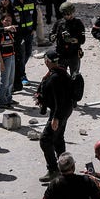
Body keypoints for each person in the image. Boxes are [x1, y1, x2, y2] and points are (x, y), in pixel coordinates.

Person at [37, 52, 75, 183]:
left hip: (60, 112)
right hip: (65, 111)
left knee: (45, 140)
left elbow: (60, 99)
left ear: (47, 61)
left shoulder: (55, 77)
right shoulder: (61, 72)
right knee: (58, 139)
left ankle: (53, 170)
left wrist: (55, 118)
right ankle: (65, 167)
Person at [11, 0, 37, 88]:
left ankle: (19, 71)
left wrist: (34, 28)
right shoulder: (13, 2)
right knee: (21, 55)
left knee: (28, 53)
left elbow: (35, 15)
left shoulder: (30, 0)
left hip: (29, 32)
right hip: (18, 34)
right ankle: (22, 75)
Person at [52, 1, 85, 75]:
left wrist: (72, 40)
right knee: (60, 77)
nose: (67, 16)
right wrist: (52, 37)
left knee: (74, 76)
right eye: (65, 14)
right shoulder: (59, 23)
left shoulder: (78, 23)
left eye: (69, 13)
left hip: (73, 54)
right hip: (61, 54)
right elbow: (52, 35)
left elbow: (82, 40)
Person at [0, 13, 17, 108]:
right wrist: (1, 63)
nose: (8, 22)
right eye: (6, 20)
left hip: (12, 57)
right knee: (4, 81)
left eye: (10, 21)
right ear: (2, 21)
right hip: (5, 59)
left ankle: (8, 98)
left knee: (11, 80)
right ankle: (2, 101)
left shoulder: (10, 32)